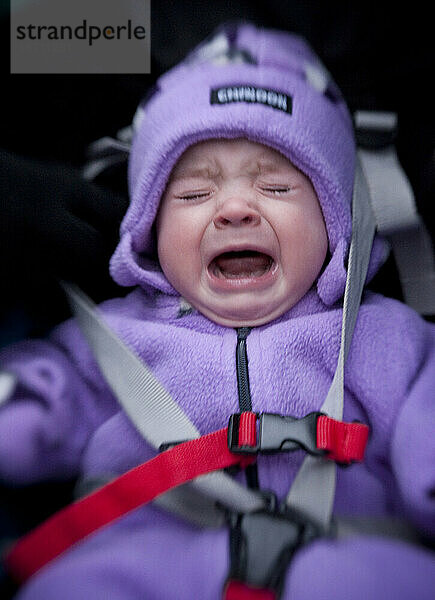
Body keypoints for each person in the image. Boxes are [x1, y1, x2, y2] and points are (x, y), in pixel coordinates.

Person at [0, 23, 434, 600]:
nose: (233, 209)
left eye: (276, 187)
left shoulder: (386, 337)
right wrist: (21, 409)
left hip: (337, 547)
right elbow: (49, 393)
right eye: (192, 195)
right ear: (149, 231)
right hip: (142, 551)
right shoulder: (115, 337)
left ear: (335, 222)